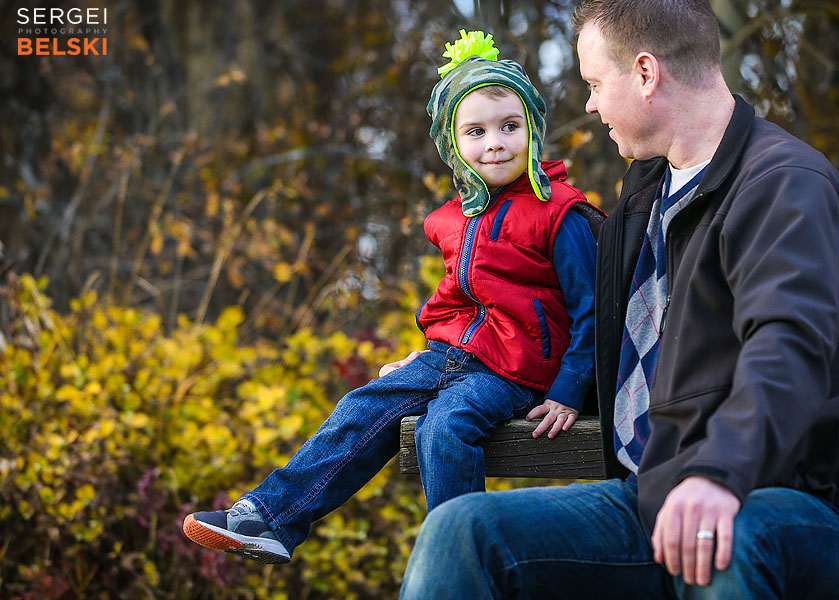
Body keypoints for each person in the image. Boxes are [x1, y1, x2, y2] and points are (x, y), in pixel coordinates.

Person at [399, 2, 839, 598]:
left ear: (644, 73)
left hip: (789, 508)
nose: (588, 105)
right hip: (652, 503)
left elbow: (787, 344)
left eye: (593, 83)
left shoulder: (782, 184)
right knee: (463, 532)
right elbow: (565, 321)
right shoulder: (643, 196)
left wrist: (719, 473)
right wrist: (443, 361)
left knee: (723, 545)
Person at [182, 30, 601, 565]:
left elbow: (592, 310)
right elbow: (455, 304)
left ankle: (458, 562)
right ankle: (271, 518)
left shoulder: (557, 211)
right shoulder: (460, 218)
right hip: (458, 358)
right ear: (454, 145)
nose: (494, 142)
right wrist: (427, 353)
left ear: (533, 131)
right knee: (363, 403)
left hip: (520, 372)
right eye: (475, 131)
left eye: (509, 127)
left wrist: (568, 389)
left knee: (445, 425)